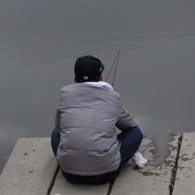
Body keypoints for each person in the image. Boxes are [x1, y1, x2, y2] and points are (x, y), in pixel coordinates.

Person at [51, 55, 143, 184]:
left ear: (75, 78)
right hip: (106, 174)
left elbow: (59, 127)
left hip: (70, 174)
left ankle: (74, 162)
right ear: (100, 77)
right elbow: (130, 125)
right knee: (135, 133)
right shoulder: (112, 96)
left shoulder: (65, 94)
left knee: (55, 134)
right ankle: (99, 166)